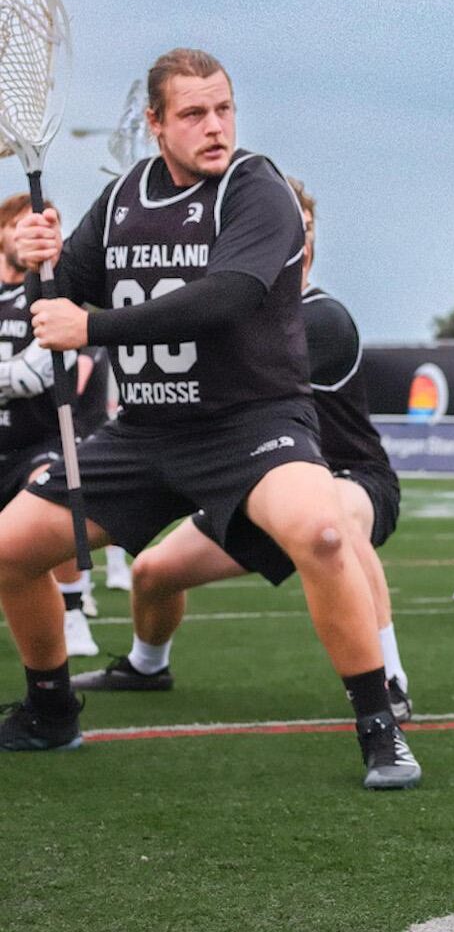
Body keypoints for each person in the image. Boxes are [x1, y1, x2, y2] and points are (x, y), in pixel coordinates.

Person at [0, 49, 417, 792]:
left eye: (223, 108)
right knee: (9, 550)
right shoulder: (126, 193)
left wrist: (88, 328)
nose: (215, 126)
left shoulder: (258, 189)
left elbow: (223, 298)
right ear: (156, 124)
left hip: (250, 423)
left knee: (322, 531)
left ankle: (378, 723)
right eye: (193, 113)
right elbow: (68, 287)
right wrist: (38, 260)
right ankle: (50, 708)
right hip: (144, 430)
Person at [69, 177, 414, 721]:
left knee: (332, 518)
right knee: (151, 574)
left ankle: (390, 678)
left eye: (302, 225)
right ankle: (146, 664)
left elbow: (217, 347)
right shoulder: (220, 309)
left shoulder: (322, 317)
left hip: (348, 477)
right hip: (253, 481)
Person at [0, 193, 110, 656]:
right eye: (21, 226)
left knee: (54, 493)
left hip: (38, 441)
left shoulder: (55, 293)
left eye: (46, 227)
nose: (36, 236)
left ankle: (72, 614)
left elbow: (31, 375)